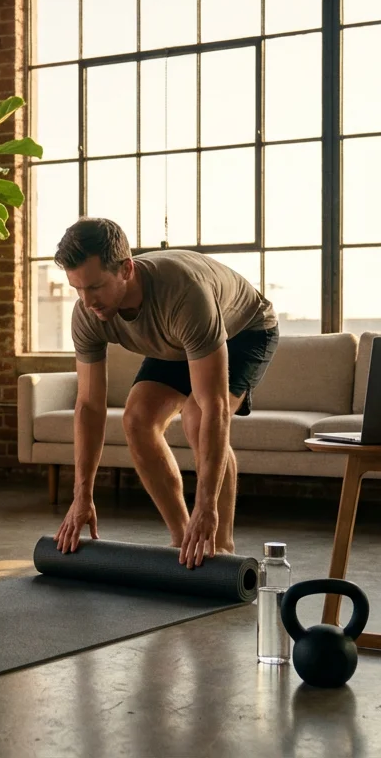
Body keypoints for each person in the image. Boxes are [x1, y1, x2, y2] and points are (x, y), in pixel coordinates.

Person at [50, 217, 279, 568]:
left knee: (196, 417)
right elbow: (89, 406)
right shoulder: (88, 314)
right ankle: (181, 541)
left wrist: (206, 506)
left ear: (126, 269)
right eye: (77, 289)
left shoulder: (184, 293)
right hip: (175, 341)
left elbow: (214, 407)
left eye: (95, 287)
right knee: (137, 419)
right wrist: (82, 496)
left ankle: (220, 548)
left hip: (244, 329)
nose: (87, 301)